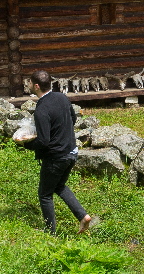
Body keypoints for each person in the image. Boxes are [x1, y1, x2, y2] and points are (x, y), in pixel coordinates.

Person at [19, 70, 93, 235]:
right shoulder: (62, 97)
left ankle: (50, 233)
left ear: (36, 86)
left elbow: (44, 141)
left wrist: (26, 144)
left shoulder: (41, 110)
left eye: (29, 83)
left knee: (45, 194)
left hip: (56, 158)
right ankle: (83, 216)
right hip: (72, 152)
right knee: (59, 186)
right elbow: (73, 119)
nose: (28, 85)